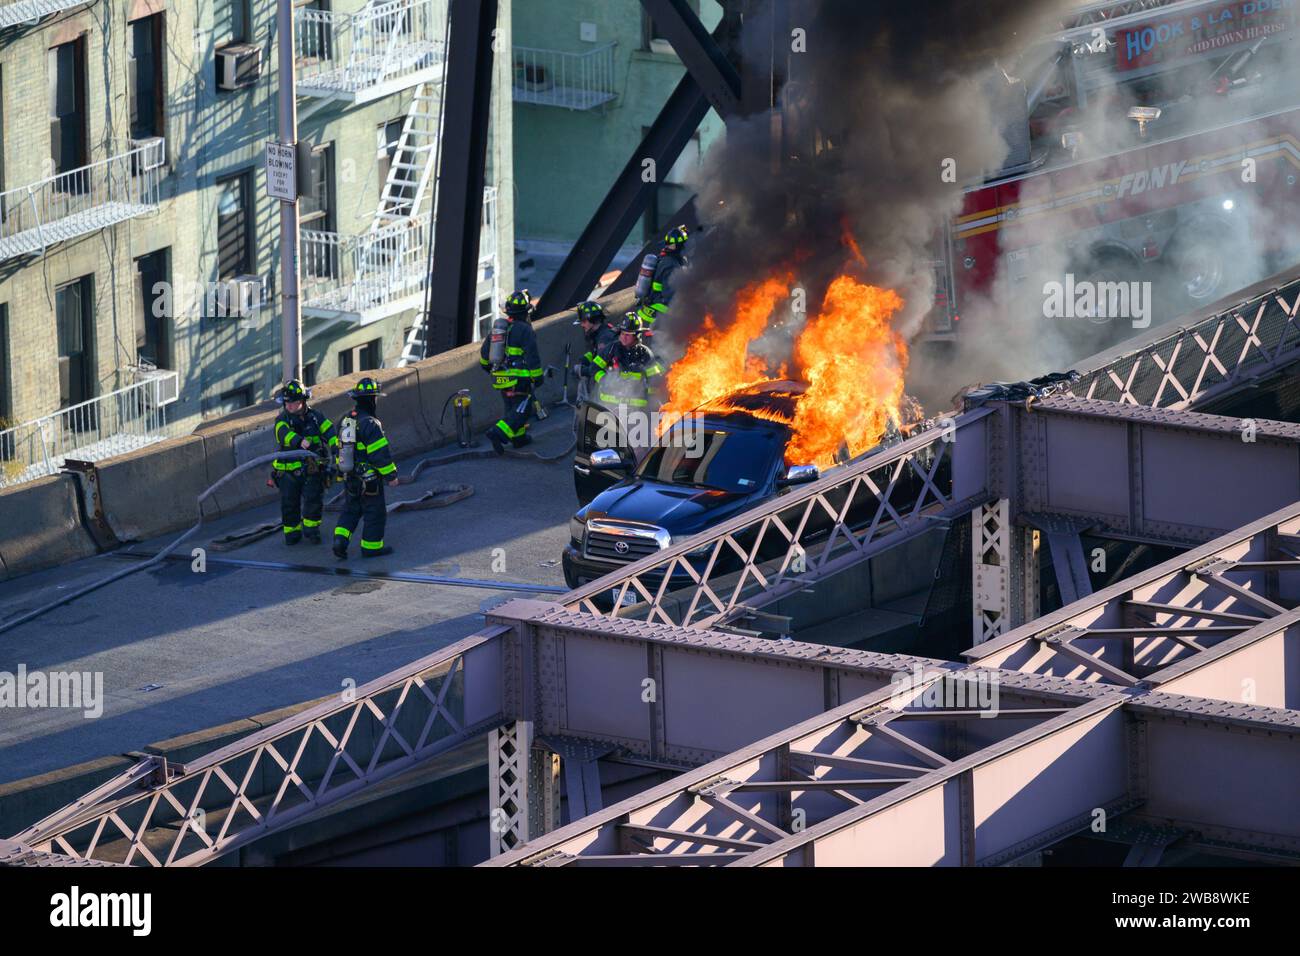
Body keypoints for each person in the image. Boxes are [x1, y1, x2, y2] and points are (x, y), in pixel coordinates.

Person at [333, 377, 398, 560]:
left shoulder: (346, 420)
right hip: (369, 481)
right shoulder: (370, 423)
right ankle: (371, 547)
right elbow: (379, 454)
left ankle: (340, 540)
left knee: (351, 510)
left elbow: (339, 450)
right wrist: (391, 475)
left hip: (350, 477)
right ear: (372, 399)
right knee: (374, 513)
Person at [272, 379, 338, 545]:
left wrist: (336, 448)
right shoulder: (282, 419)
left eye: (292, 403)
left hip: (312, 469)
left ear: (302, 401)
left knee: (313, 500)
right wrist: (299, 441)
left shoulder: (316, 417)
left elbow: (330, 431)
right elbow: (282, 433)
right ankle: (292, 533)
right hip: (288, 471)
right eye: (286, 403)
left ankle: (311, 530)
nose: (289, 406)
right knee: (289, 503)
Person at [479, 289, 543, 454]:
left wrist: (490, 370)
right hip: (518, 378)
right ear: (525, 311)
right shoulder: (525, 329)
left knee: (511, 408)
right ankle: (498, 432)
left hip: (499, 378)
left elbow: (484, 356)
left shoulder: (498, 329)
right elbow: (532, 356)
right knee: (523, 409)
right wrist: (537, 377)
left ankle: (518, 439)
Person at [594, 313, 666, 411]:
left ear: (637, 335)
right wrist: (604, 380)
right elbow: (594, 367)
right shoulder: (612, 349)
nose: (624, 337)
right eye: (622, 333)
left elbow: (654, 381)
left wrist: (652, 402)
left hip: (636, 408)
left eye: (628, 334)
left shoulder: (645, 354)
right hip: (610, 405)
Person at [635, 225, 689, 330]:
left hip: (648, 310)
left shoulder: (663, 257)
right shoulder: (671, 265)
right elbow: (671, 297)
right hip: (659, 315)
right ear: (680, 246)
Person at [574, 300, 616, 389]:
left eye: (584, 321)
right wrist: (586, 358)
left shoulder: (605, 338)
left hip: (612, 382)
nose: (581, 324)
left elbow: (601, 365)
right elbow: (597, 353)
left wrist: (584, 370)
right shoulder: (598, 333)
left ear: (592, 320)